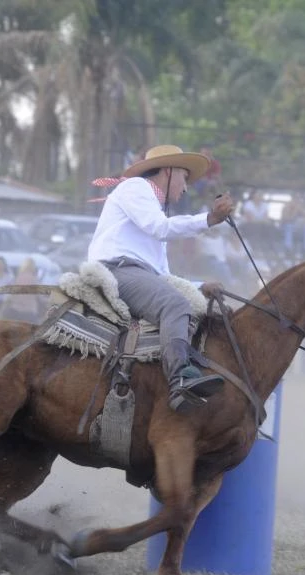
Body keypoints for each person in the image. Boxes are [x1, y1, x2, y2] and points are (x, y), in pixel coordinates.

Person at [87, 144, 234, 413]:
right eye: (184, 178)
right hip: (118, 270)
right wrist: (210, 218)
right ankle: (179, 379)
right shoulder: (136, 188)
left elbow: (163, 276)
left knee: (181, 302)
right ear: (168, 172)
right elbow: (160, 229)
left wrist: (200, 287)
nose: (186, 188)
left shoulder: (151, 207)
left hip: (133, 273)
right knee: (176, 306)